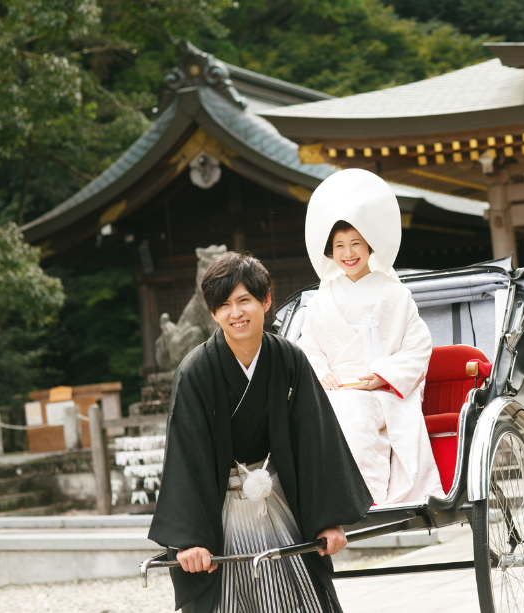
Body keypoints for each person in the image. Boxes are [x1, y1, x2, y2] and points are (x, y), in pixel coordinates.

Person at [149, 251, 373, 613]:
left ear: (266, 300)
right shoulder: (196, 372)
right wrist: (189, 540)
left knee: (301, 598)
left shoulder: (290, 360)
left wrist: (328, 521)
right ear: (213, 313)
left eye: (245, 301)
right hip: (218, 510)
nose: (236, 313)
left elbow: (315, 440)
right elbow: (185, 455)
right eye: (224, 305)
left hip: (279, 498)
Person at [297, 169, 444, 505]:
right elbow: (308, 345)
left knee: (354, 411)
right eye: (339, 246)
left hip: (380, 392)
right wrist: (321, 372)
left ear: (368, 247)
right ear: (330, 252)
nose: (348, 253)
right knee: (311, 417)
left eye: (355, 244)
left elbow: (418, 346)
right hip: (334, 390)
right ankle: (321, 499)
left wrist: (381, 376)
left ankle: (363, 495)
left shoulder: (394, 293)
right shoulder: (321, 300)